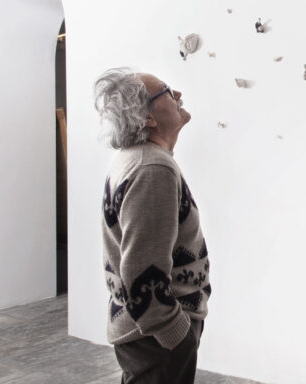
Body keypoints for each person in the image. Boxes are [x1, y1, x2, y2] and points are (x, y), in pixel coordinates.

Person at [93, 68, 211, 384]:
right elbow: (141, 269)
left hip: (144, 331)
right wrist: (176, 334)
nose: (177, 95)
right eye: (166, 90)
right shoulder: (151, 168)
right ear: (148, 118)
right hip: (155, 336)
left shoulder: (136, 158)